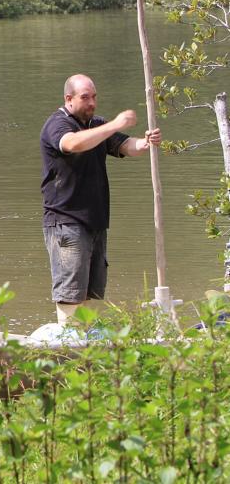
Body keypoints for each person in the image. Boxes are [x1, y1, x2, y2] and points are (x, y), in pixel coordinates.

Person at [40, 74, 161, 325]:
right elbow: (73, 144)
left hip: (94, 221)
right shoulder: (57, 124)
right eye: (85, 98)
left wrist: (145, 142)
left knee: (88, 293)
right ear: (69, 99)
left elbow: (127, 146)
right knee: (70, 294)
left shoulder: (95, 124)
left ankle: (85, 349)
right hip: (66, 221)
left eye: (94, 97)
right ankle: (68, 348)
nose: (92, 103)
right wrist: (114, 125)